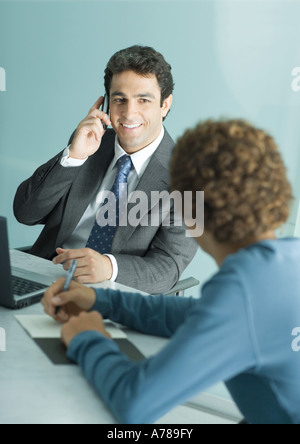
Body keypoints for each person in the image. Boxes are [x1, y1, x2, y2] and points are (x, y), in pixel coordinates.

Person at [42, 119, 300, 425]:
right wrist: (100, 301)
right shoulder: (288, 256)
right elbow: (197, 314)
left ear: (190, 209)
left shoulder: (243, 288)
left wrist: (88, 337)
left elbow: (134, 403)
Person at [13, 45, 197, 294]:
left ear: (165, 104)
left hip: (116, 297)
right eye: (119, 100)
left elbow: (169, 267)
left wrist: (108, 267)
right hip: (44, 281)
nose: (129, 113)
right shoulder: (89, 144)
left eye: (143, 100)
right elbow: (25, 212)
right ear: (106, 103)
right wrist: (74, 157)